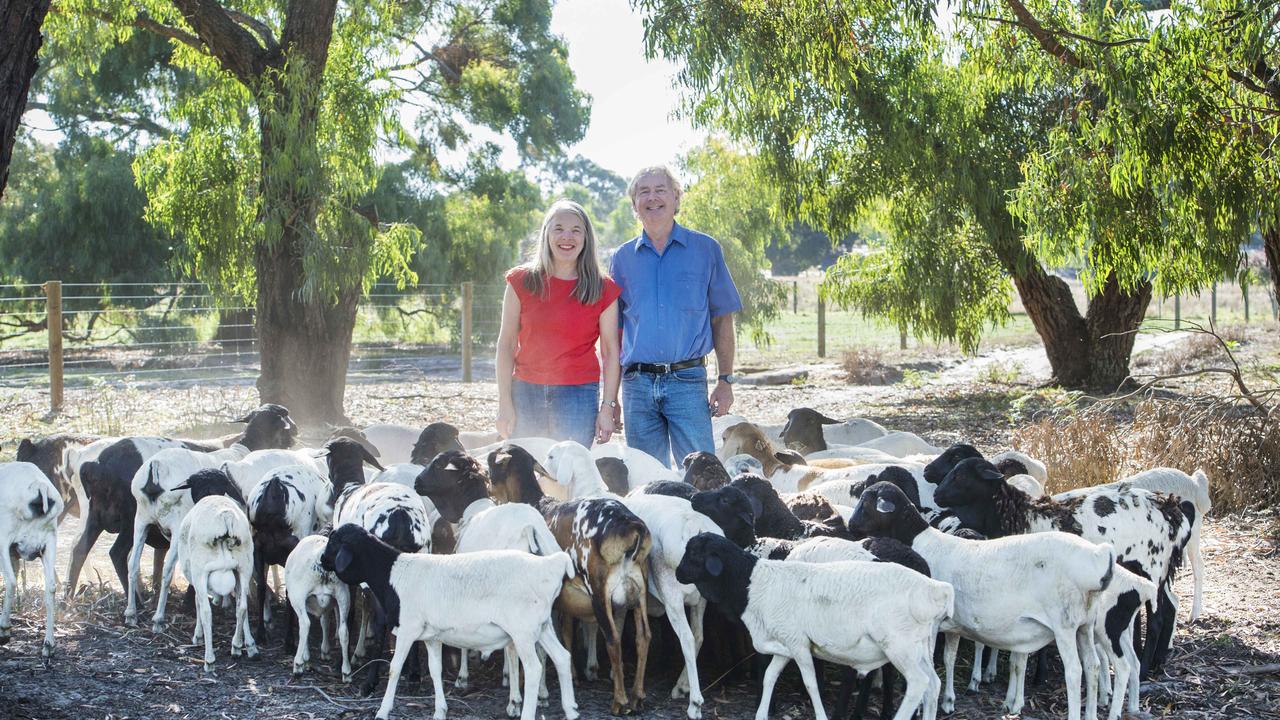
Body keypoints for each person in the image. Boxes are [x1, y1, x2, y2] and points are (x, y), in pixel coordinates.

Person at [608, 165, 742, 467]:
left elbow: (723, 319)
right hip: (637, 385)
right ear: (634, 205)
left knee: (702, 474)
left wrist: (725, 380)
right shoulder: (621, 259)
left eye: (660, 190)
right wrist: (611, 398)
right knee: (647, 479)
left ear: (676, 199)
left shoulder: (706, 249)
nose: (652, 198)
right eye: (644, 192)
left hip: (687, 381)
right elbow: (614, 334)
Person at [495, 199, 622, 447]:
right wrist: (504, 403)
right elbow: (506, 344)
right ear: (546, 234)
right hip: (525, 392)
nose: (567, 236)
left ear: (586, 238)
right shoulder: (521, 282)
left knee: (568, 475)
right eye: (559, 228)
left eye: (576, 230)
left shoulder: (603, 287)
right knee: (527, 471)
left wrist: (607, 408)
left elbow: (610, 351)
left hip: (577, 396)